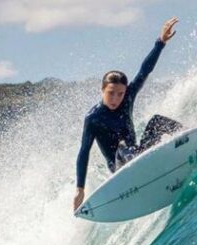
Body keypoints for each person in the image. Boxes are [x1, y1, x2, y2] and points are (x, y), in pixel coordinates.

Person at [73, 17, 183, 211]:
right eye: (111, 93)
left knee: (156, 121)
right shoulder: (93, 119)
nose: (116, 98)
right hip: (120, 167)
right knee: (123, 147)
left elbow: (144, 71)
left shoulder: (127, 99)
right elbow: (84, 152)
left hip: (139, 155)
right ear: (102, 90)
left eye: (120, 93)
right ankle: (140, 168)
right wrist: (80, 188)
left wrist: (161, 43)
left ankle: (191, 135)